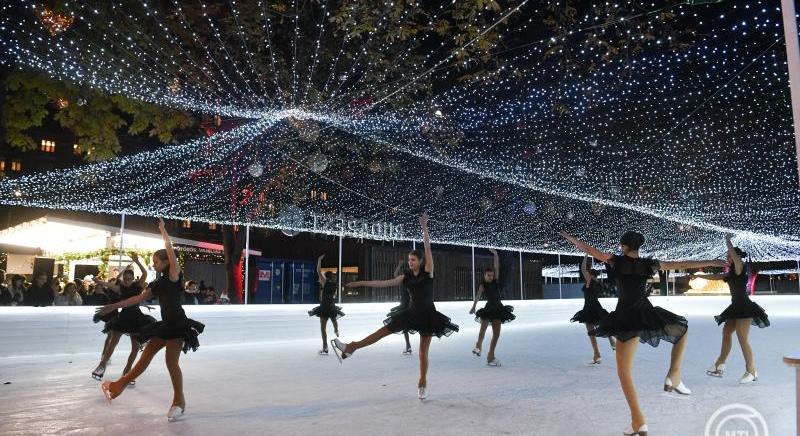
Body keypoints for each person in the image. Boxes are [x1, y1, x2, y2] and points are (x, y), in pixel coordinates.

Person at [561, 230, 725, 436]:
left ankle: (638, 420)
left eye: (621, 245)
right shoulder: (649, 264)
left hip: (625, 317)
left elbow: (590, 250)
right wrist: (711, 261)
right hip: (646, 313)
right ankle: (673, 376)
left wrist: (572, 238)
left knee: (624, 372)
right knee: (682, 331)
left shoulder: (617, 261)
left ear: (624, 246)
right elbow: (679, 264)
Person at [333, 213, 459, 400]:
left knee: (423, 352)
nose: (410, 262)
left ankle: (422, 382)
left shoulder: (428, 272)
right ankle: (352, 347)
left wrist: (424, 227)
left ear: (421, 261)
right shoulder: (405, 278)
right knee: (381, 331)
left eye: (413, 260)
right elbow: (382, 283)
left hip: (428, 316)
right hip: (410, 314)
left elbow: (427, 247)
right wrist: (360, 283)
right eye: (409, 260)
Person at [97, 219, 205, 421]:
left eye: (156, 261)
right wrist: (112, 306)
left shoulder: (174, 275)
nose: (153, 264)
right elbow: (136, 299)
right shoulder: (157, 283)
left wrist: (163, 231)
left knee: (171, 363)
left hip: (179, 326)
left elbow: (170, 251)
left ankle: (179, 401)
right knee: (145, 357)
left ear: (166, 263)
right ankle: (118, 386)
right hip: (165, 326)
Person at [703, 235, 769, 384]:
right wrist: (698, 276)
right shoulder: (732, 271)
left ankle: (751, 370)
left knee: (742, 338)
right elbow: (718, 276)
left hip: (744, 307)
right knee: (726, 332)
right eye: (728, 256)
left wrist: (728, 241)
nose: (729, 257)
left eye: (730, 255)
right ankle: (720, 364)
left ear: (737, 256)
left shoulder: (740, 266)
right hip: (735, 307)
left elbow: (733, 255)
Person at [91, 253, 154, 382]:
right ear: (123, 277)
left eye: (129, 278)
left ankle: (127, 371)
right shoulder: (119, 288)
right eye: (125, 277)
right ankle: (101, 365)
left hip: (137, 318)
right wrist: (98, 281)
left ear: (132, 278)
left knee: (135, 347)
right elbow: (107, 285)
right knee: (113, 342)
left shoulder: (138, 286)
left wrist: (137, 261)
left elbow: (144, 273)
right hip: (123, 317)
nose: (127, 279)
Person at [469, 249, 515, 366]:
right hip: (489, 308)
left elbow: (497, 267)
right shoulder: (482, 285)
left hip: (499, 308)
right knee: (482, 330)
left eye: (491, 275)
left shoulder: (496, 281)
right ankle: (478, 346)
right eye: (488, 275)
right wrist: (473, 307)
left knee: (496, 334)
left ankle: (491, 355)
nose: (490, 276)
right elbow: (478, 296)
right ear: (484, 275)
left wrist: (495, 255)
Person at [570, 256, 616, 364]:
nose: (586, 274)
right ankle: (611, 343)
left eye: (588, 273)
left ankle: (597, 354)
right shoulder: (597, 282)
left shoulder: (589, 280)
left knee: (591, 332)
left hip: (589, 308)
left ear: (590, 274)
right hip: (596, 306)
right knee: (602, 326)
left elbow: (582, 268)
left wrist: (586, 255)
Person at [307, 254, 345, 355]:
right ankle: (336, 330)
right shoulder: (334, 285)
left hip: (324, 307)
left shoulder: (325, 283)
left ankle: (325, 347)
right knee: (333, 319)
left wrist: (319, 260)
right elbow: (334, 295)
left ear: (325, 277)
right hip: (331, 306)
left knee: (323, 329)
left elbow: (318, 271)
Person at [386, 258, 413, 355]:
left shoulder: (405, 283)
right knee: (405, 326)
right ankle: (408, 346)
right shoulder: (406, 283)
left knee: (405, 326)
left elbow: (395, 275)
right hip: (405, 305)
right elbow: (395, 275)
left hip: (406, 306)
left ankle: (408, 346)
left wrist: (399, 265)